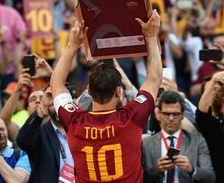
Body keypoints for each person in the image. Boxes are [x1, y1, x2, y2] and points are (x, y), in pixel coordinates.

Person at [50, 10, 162, 182]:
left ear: (88, 90)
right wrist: (151, 37)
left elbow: (56, 84)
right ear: (118, 92)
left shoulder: (74, 120)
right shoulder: (131, 116)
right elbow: (154, 79)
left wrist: (72, 45)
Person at [142, 90, 215, 183]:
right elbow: (138, 178)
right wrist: (156, 170)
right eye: (166, 114)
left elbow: (211, 177)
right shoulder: (146, 143)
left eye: (175, 114)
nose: (171, 118)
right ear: (159, 114)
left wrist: (192, 169)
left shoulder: (197, 141)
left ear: (183, 115)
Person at [17, 86, 73, 183]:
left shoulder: (81, 131)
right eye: (53, 103)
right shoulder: (40, 134)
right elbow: (23, 142)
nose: (58, 107)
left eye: (62, 102)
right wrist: (42, 105)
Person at [0, 114, 31, 183]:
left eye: (2, 129)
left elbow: (17, 181)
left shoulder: (22, 154)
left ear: (7, 129)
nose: (0, 133)